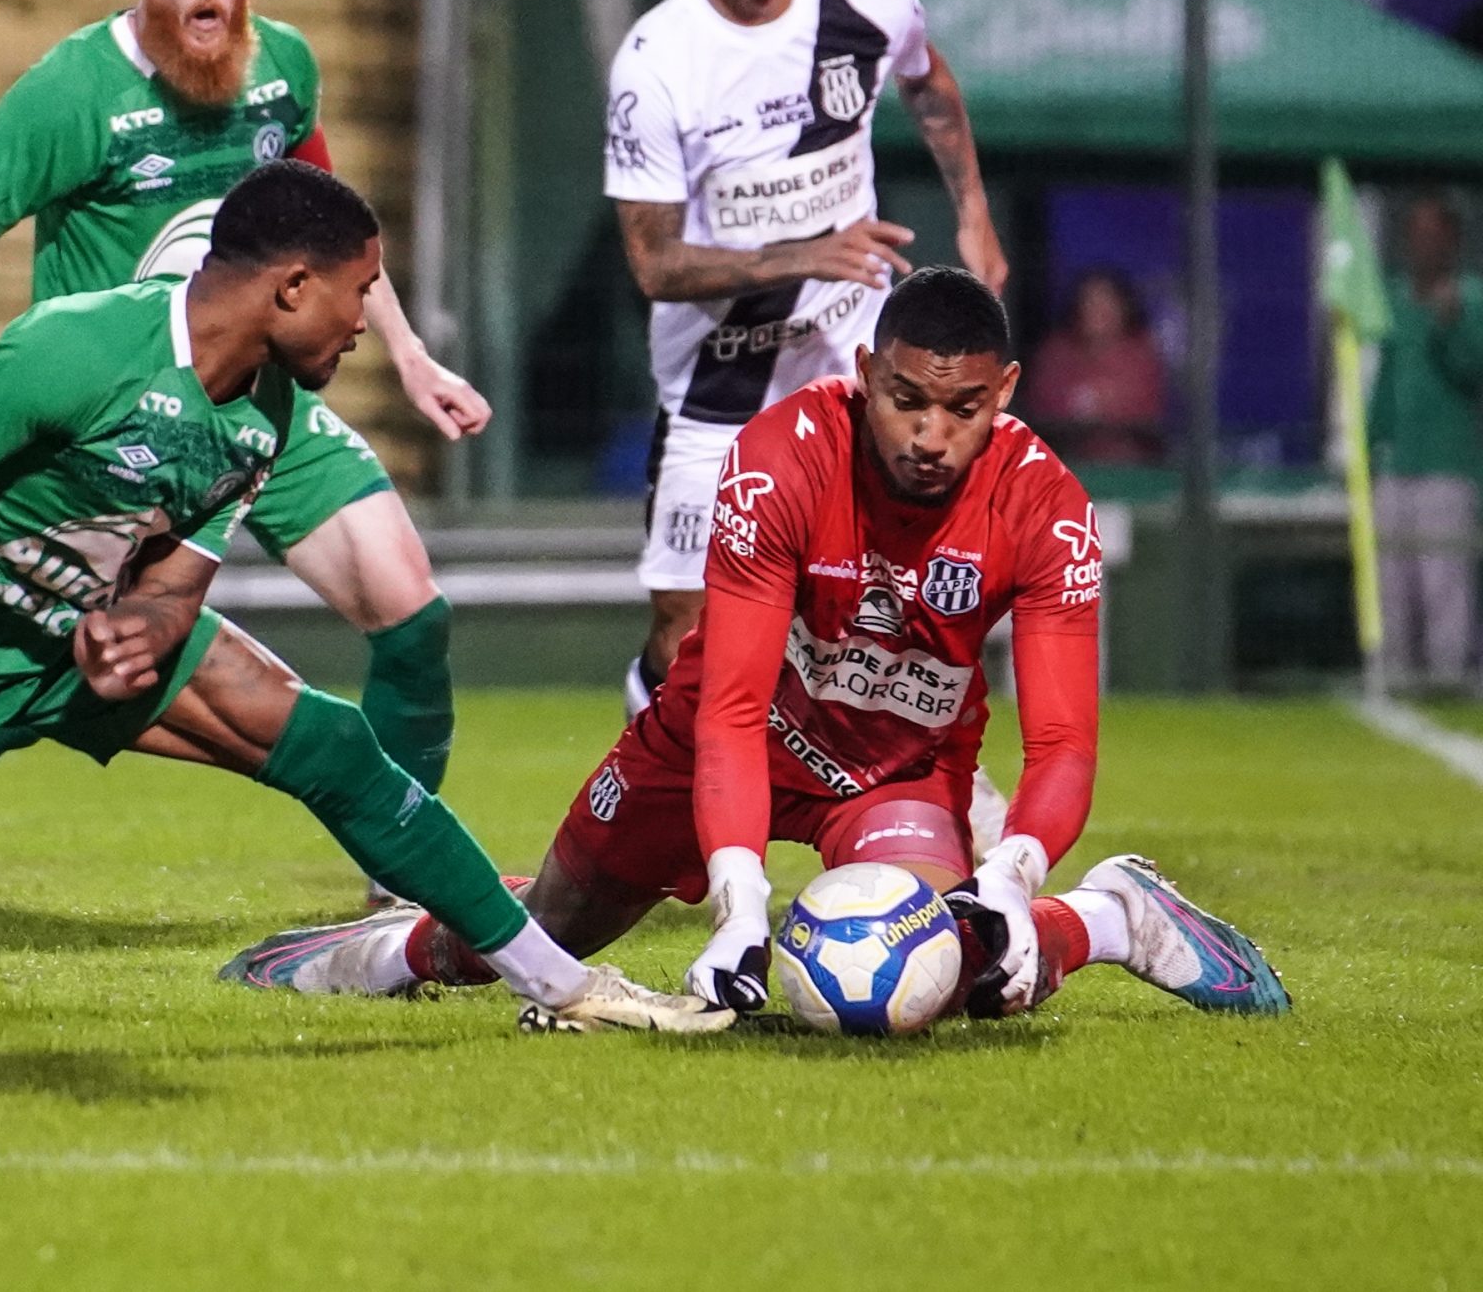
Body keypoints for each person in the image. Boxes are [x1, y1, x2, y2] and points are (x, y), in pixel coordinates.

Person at [0, 162, 729, 1041]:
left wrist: (146, 629)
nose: (368, 322)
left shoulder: (262, 409)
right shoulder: (79, 351)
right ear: (290, 286)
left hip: (63, 642)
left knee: (329, 742)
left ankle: (563, 984)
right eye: (361, 293)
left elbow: (174, 583)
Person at [226, 269, 1288, 1026]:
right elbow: (729, 708)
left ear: (1004, 394)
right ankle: (386, 949)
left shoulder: (1046, 509)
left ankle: (1107, 917)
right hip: (722, 737)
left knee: (963, 974)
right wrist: (741, 905)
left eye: (961, 410)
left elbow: (1063, 747)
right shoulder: (779, 460)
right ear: (865, 372)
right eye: (905, 400)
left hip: (891, 772)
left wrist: (1011, 876)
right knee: (538, 939)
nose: (928, 435)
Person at [0, 0, 486, 899]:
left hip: (263, 414)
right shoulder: (72, 92)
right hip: (111, 436)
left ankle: (399, 894)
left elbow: (331, 229)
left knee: (412, 612)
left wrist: (407, 356)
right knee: (14, 648)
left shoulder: (284, 70)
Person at [607, 0, 1012, 855]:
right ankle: (652, 793)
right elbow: (653, 264)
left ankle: (923, 800)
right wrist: (805, 253)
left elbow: (929, 83)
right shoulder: (657, 63)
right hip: (716, 395)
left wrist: (970, 210)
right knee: (680, 633)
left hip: (848, 380)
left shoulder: (870, 9)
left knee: (892, 607)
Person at [1370, 193, 1483, 692]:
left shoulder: (1471, 300)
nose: (1423, 246)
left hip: (1447, 462)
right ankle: (1397, 677)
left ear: (1454, 243)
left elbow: (1472, 373)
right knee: (1392, 580)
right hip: (1396, 463)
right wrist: (1372, 441)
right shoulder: (1393, 300)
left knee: (1443, 578)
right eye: (1415, 235)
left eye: (1434, 236)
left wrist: (1451, 324)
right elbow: (1385, 380)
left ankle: (1448, 677)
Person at [1024, 268, 1169, 465]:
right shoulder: (1056, 353)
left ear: (1123, 308)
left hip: (1131, 469)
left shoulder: (1141, 356)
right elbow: (1043, 410)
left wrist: (1105, 405)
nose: (1097, 311)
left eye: (1106, 302)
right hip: (1065, 465)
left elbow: (1147, 413)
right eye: (1090, 302)